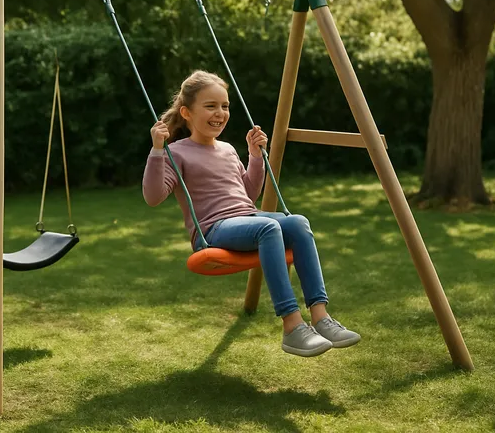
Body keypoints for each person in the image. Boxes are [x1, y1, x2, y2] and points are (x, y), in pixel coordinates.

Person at [142, 70, 360, 357]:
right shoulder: (176, 152)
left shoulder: (229, 150)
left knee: (297, 222)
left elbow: (247, 195)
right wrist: (157, 150)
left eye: (224, 106)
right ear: (186, 112)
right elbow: (153, 197)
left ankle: (321, 316)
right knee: (269, 228)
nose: (219, 113)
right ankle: (292, 326)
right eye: (210, 106)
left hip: (247, 218)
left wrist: (254, 157)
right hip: (213, 231)